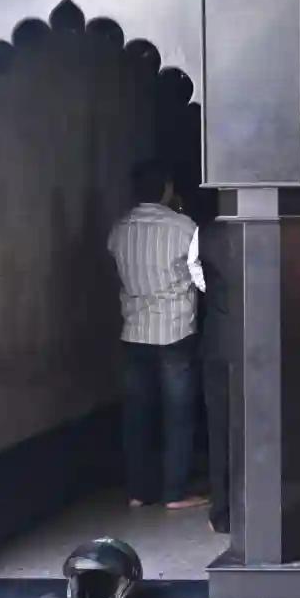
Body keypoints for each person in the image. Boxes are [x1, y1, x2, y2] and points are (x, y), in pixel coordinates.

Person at [106, 160, 204, 511]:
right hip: (175, 330)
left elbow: (117, 274)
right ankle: (174, 492)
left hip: (134, 331)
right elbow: (201, 279)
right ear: (166, 188)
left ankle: (138, 490)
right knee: (178, 413)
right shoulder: (183, 227)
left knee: (137, 414)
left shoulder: (119, 229)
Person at [189, 214, 231, 534]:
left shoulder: (205, 234)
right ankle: (274, 506)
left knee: (221, 429)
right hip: (266, 345)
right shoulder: (277, 228)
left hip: (219, 340)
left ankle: (224, 512)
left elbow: (198, 276)